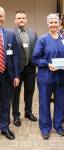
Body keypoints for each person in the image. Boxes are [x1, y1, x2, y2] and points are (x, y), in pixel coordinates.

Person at [33, 14, 64, 139]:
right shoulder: (42, 39)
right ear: (48, 24)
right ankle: (45, 128)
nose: (53, 25)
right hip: (45, 78)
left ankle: (58, 126)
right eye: (51, 22)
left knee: (60, 103)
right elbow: (35, 59)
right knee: (44, 103)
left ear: (59, 23)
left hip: (61, 77)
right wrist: (47, 64)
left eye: (55, 22)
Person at [11, 10, 37, 127]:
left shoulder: (33, 33)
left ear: (26, 20)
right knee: (15, 94)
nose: (21, 20)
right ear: (15, 20)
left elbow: (36, 50)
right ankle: (16, 116)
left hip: (30, 69)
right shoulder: (11, 34)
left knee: (30, 92)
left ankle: (28, 112)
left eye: (23, 18)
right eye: (19, 18)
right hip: (16, 70)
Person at [0, 6, 20, 140]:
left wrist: (17, 75)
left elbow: (16, 56)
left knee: (5, 102)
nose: (0, 18)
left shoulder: (10, 34)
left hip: (6, 75)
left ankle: (4, 127)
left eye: (1, 15)